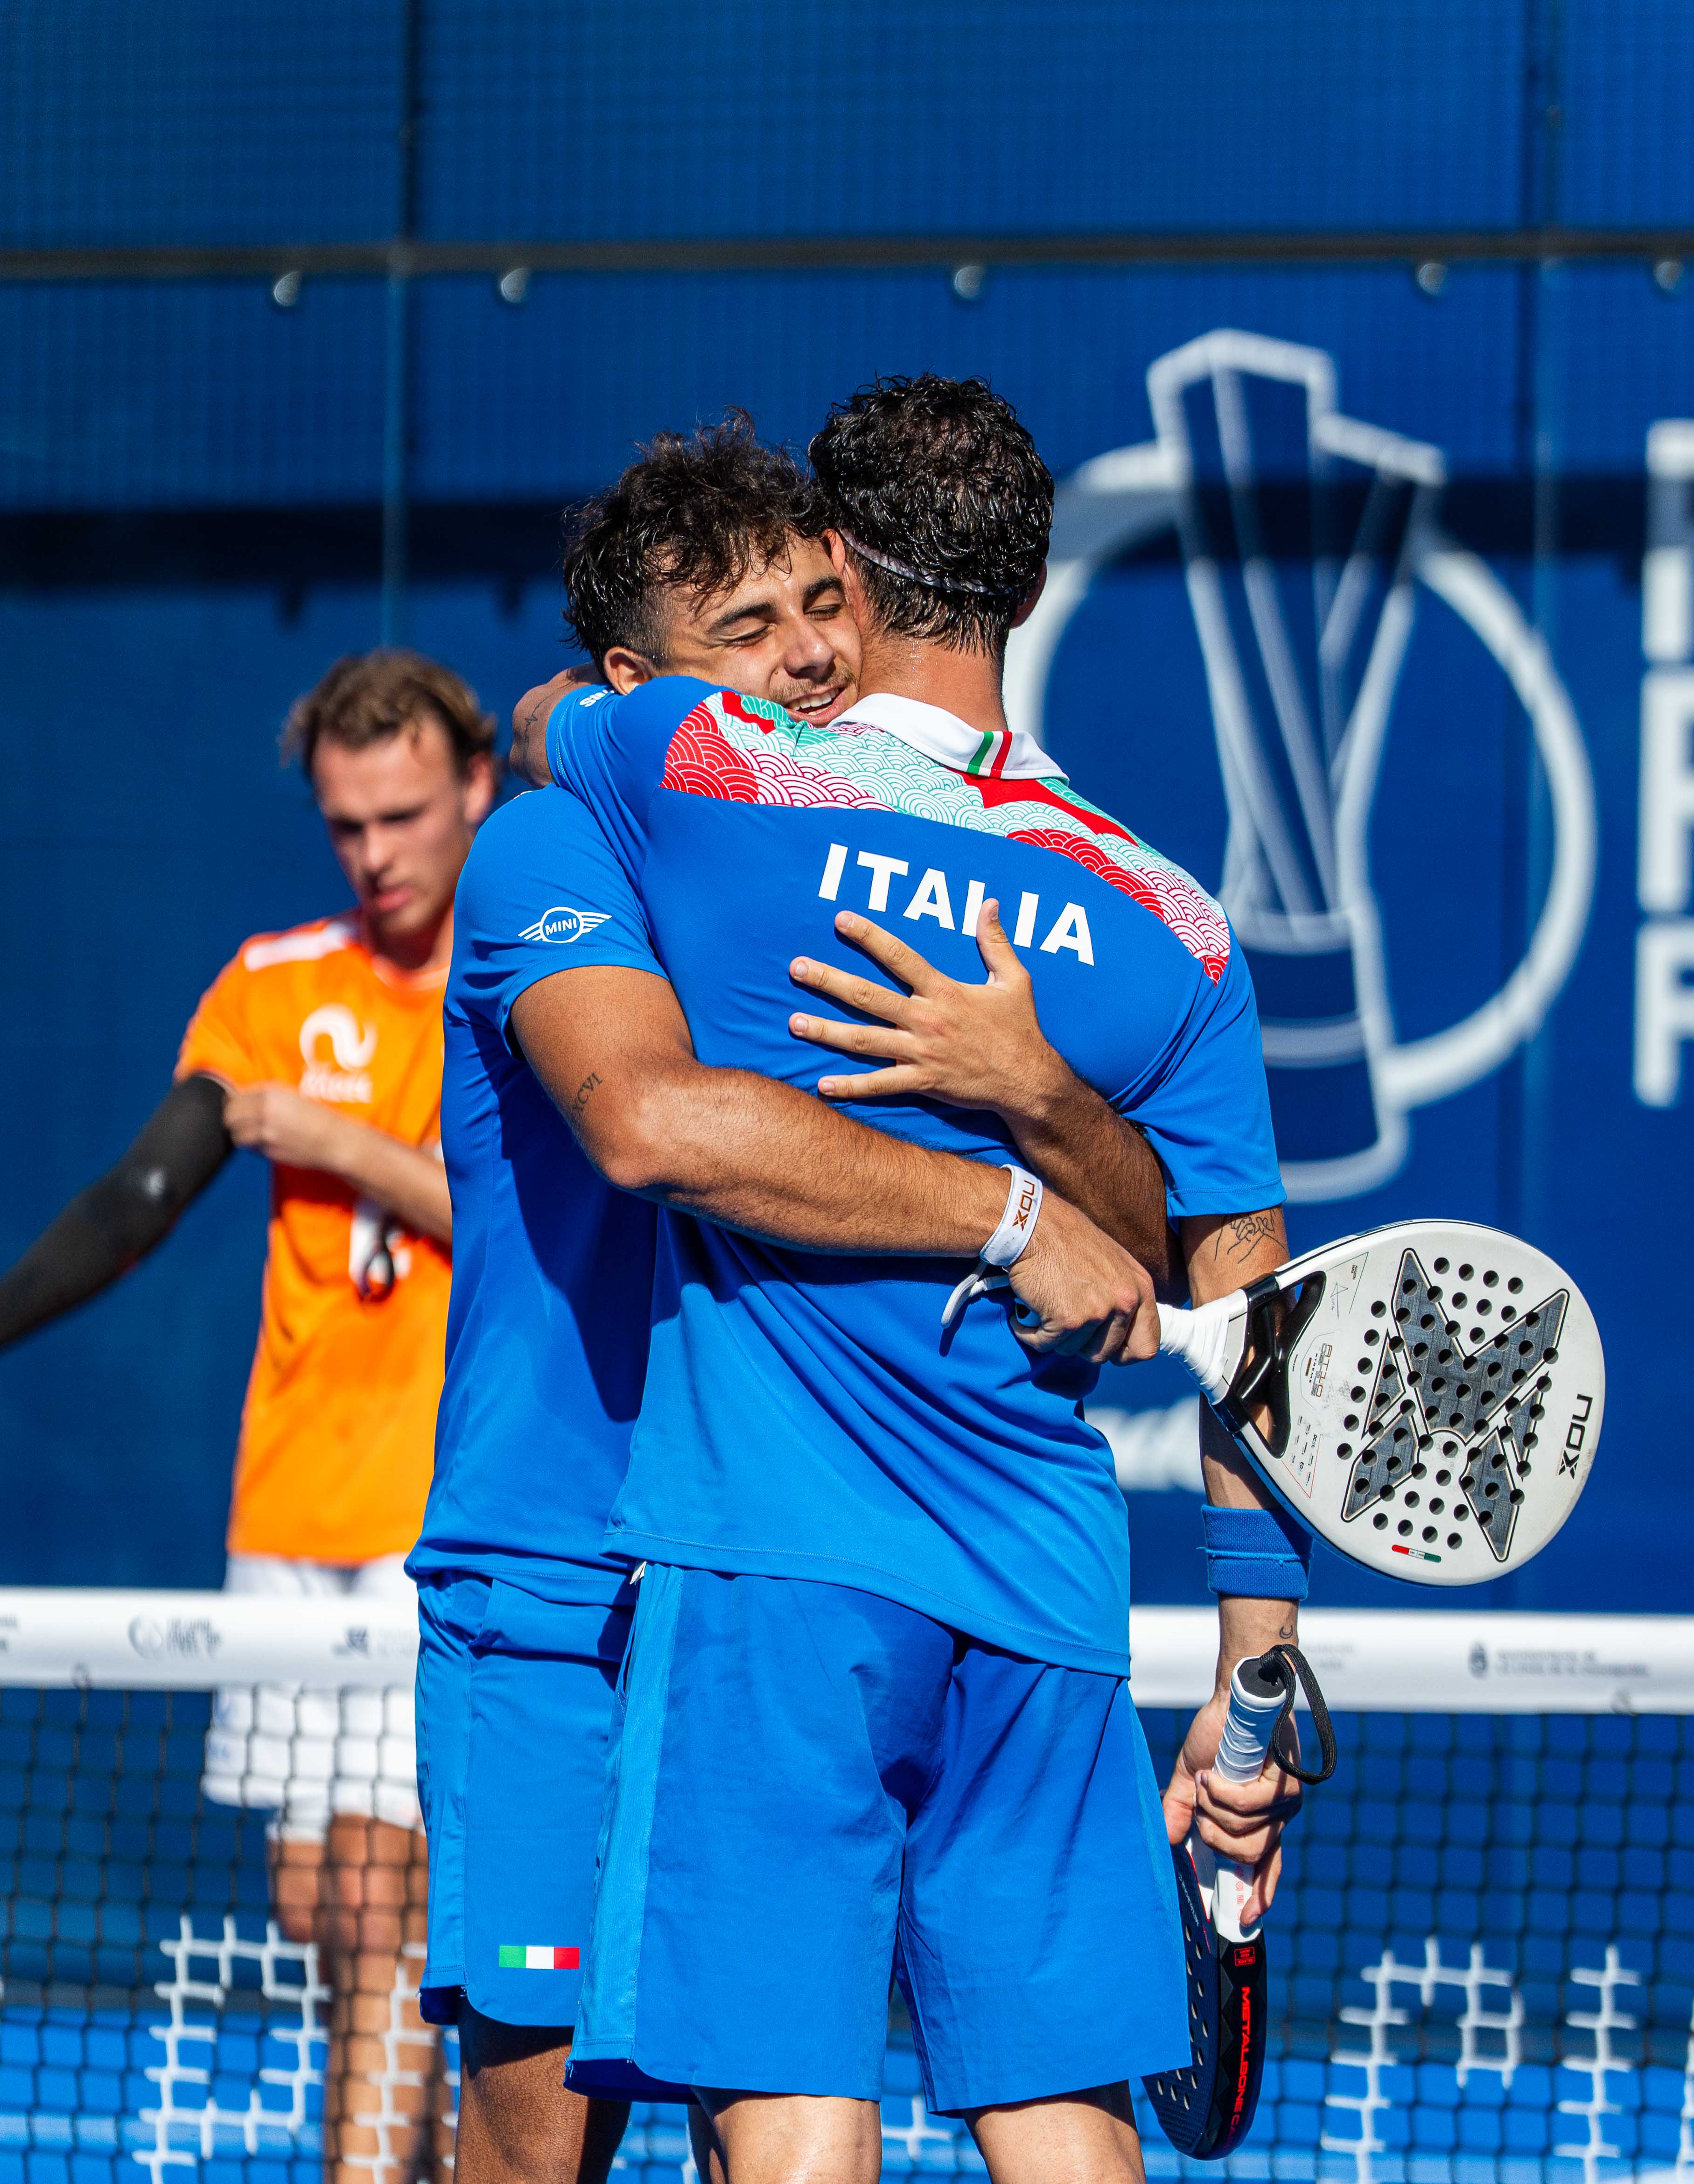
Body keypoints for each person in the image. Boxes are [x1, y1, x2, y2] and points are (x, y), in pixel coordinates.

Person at [517, 377, 1307, 2184]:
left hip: (777, 1568)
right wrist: (1255, 1688)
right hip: (1044, 1585)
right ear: (1026, 588)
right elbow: (1252, 1330)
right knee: (1064, 2117)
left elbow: (559, 710)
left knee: (789, 2098)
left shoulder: (697, 772)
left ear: (839, 574)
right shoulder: (1177, 925)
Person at [0, 648, 496, 2184]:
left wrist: (340, 1143)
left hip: (442, 1516)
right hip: (289, 1506)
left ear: (476, 789)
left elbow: (535, 1238)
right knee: (324, 1910)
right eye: (346, 826)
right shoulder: (273, 984)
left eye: (402, 817)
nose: (375, 855)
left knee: (385, 1904)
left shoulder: (542, 987)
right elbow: (144, 1193)